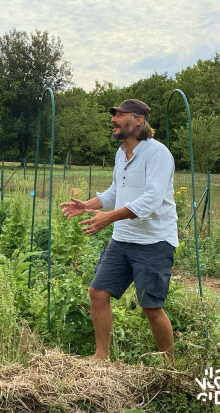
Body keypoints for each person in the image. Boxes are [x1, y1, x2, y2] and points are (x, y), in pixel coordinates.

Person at [60, 99, 178, 364]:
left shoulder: (157, 154)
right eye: (113, 115)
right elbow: (117, 192)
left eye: (120, 115)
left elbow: (151, 199)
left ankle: (170, 367)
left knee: (151, 307)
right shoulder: (121, 153)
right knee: (97, 293)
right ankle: (101, 356)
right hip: (122, 240)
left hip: (154, 241)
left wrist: (109, 217)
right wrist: (88, 205)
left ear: (138, 121)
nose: (113, 120)